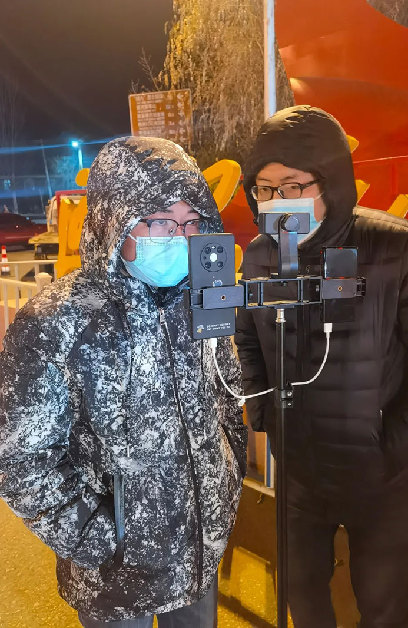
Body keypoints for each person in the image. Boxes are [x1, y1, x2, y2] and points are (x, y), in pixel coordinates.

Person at [235, 105, 408, 628]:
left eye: (293, 185)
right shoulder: (260, 255)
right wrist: (265, 413)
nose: (277, 202)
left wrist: (397, 445)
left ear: (332, 181)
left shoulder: (395, 247)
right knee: (301, 593)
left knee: (381, 606)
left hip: (380, 476)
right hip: (299, 472)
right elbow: (248, 336)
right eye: (265, 189)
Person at [0, 137, 247, 627]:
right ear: (115, 220)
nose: (179, 237)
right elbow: (21, 455)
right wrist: (95, 539)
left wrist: (226, 481)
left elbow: (226, 396)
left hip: (197, 553)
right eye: (160, 221)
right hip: (113, 576)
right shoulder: (58, 320)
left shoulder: (201, 301)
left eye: (190, 223)